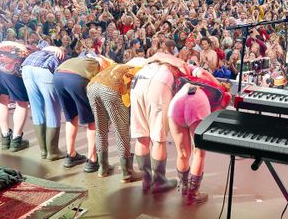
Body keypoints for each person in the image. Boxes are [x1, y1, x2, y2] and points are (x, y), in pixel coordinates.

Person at [168, 67, 229, 205]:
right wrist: (219, 84)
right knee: (199, 152)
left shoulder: (191, 74)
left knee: (182, 153)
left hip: (177, 102)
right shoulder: (221, 91)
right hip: (197, 102)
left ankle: (183, 188)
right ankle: (193, 194)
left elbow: (200, 71)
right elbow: (217, 112)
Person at [130, 49, 189, 193]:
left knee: (142, 135)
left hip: (138, 83)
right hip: (158, 85)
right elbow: (184, 68)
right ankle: (159, 182)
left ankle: (146, 180)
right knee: (158, 137)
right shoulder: (172, 62)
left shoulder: (150, 61)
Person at [86, 57, 146, 181]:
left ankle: (102, 168)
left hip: (92, 86)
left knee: (100, 129)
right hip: (111, 89)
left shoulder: (119, 65)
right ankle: (127, 173)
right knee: (121, 131)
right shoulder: (140, 70)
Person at [53, 52, 111, 171]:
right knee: (94, 120)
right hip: (77, 79)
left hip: (58, 76)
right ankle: (92, 160)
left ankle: (71, 155)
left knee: (71, 116)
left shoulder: (79, 59)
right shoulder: (102, 62)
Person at [0, 40, 39, 151]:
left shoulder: (5, 44)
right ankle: (16, 140)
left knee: (2, 100)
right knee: (22, 102)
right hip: (11, 67)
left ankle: (5, 138)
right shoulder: (30, 50)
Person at [21, 41, 66, 161]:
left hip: (26, 68)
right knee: (53, 110)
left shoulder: (41, 50)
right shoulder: (60, 54)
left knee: (36, 109)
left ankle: (43, 151)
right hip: (45, 70)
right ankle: (53, 151)